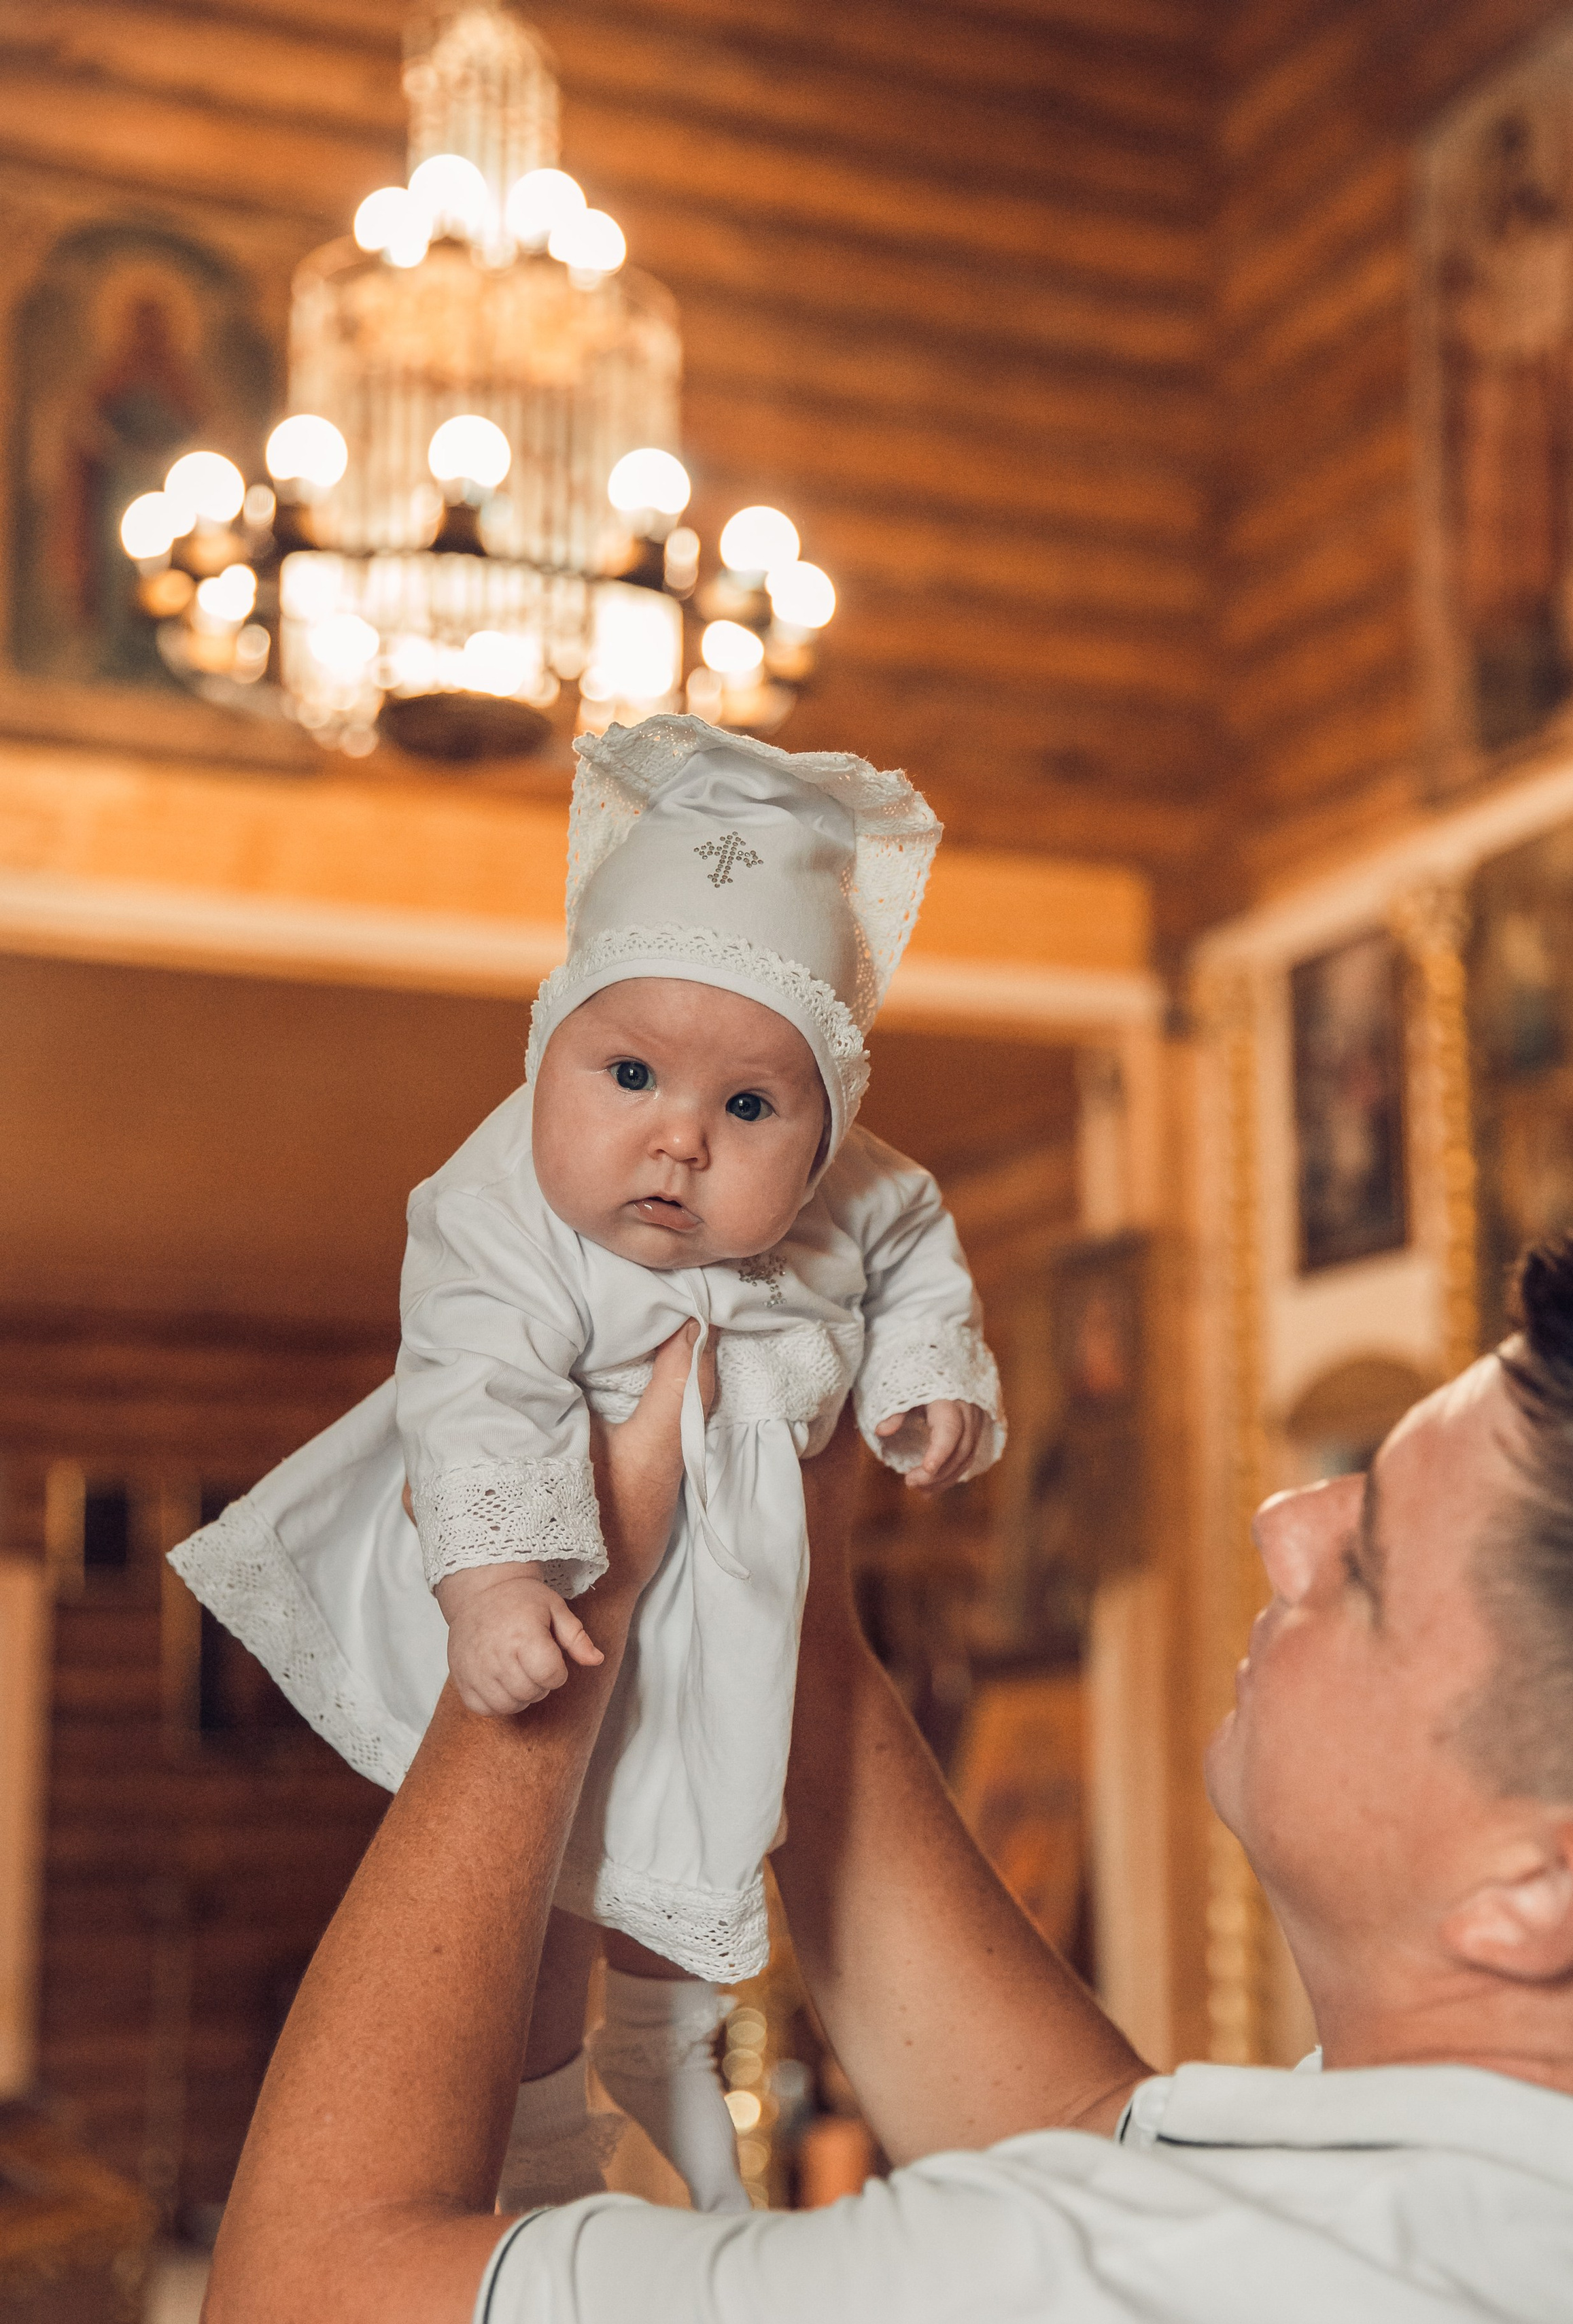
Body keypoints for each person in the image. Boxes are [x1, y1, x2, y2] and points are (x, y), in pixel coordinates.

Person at [197, 1231, 1573, 2324]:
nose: (1286, 1520)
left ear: (1536, 1896)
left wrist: (548, 1615)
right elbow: (1078, 2138)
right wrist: (789, 1607)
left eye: (1373, 1562)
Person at [169, 715, 1002, 2216]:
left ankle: (667, 2062)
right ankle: (547, 2127)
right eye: (628, 1074)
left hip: (724, 1600)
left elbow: (916, 1245)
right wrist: (496, 1583)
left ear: (825, 1130)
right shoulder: (499, 1211)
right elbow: (476, 1394)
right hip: (554, 1575)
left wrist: (923, 1373)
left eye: (748, 1108)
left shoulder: (857, 1194)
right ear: (545, 1050)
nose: (679, 1141)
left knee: (698, 1834)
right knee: (543, 1869)